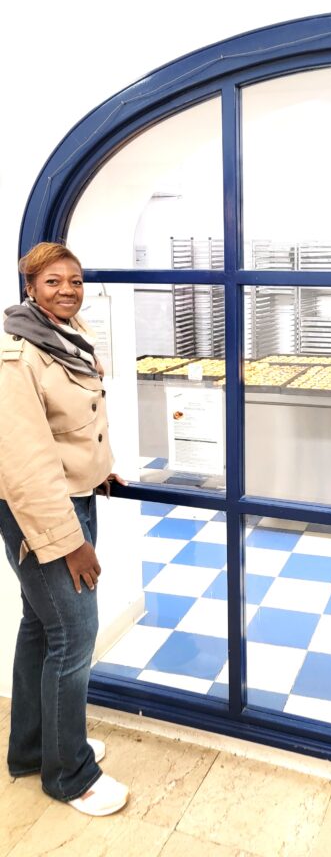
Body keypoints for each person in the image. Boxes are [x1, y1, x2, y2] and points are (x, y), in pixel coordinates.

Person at [0, 242, 129, 816]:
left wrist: (101, 468)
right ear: (30, 288)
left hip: (73, 495)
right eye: (53, 281)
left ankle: (34, 750)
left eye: (74, 280)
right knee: (74, 636)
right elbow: (24, 462)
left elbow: (76, 426)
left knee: (41, 626)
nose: (67, 290)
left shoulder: (67, 337)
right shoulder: (17, 355)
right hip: (42, 513)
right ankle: (69, 775)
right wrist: (71, 542)